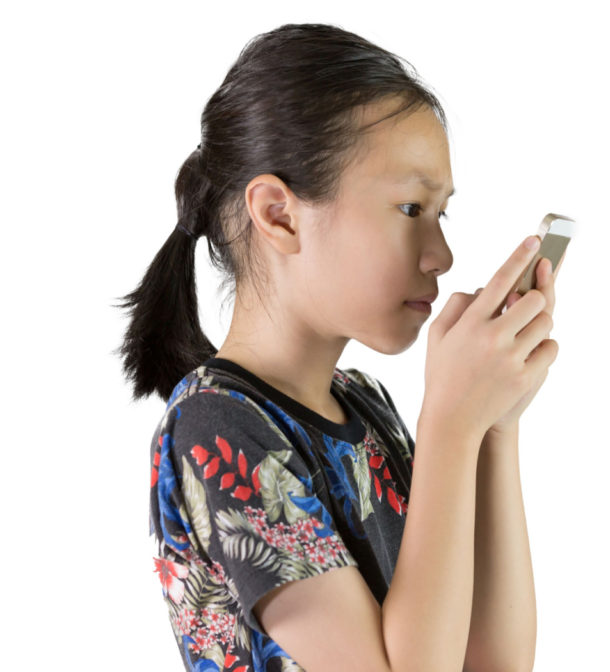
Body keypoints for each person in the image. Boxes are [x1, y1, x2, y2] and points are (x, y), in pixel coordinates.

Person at [115, 23, 562, 672]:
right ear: (279, 215)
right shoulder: (215, 427)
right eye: (410, 210)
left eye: (442, 215)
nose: (441, 256)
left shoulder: (368, 407)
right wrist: (450, 424)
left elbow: (493, 663)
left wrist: (494, 427)